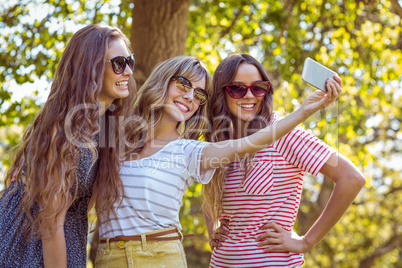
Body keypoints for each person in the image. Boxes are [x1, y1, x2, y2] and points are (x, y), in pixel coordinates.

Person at [94, 55, 340, 268]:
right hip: (108, 257)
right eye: (183, 83)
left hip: (159, 255)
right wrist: (214, 228)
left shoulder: (190, 150)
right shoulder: (115, 139)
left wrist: (303, 112)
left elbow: (249, 144)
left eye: (199, 93)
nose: (190, 96)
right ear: (163, 80)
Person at [203, 54, 366, 268]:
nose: (249, 95)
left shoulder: (284, 133)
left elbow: (351, 178)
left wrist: (307, 241)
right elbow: (209, 195)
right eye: (237, 88)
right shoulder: (221, 140)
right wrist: (212, 228)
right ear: (221, 93)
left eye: (258, 87)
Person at [0, 24, 136, 267]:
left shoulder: (105, 127)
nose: (127, 71)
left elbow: (83, 204)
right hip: (27, 246)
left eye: (129, 61)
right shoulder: (63, 128)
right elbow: (51, 223)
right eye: (118, 63)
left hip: (67, 238)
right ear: (90, 67)